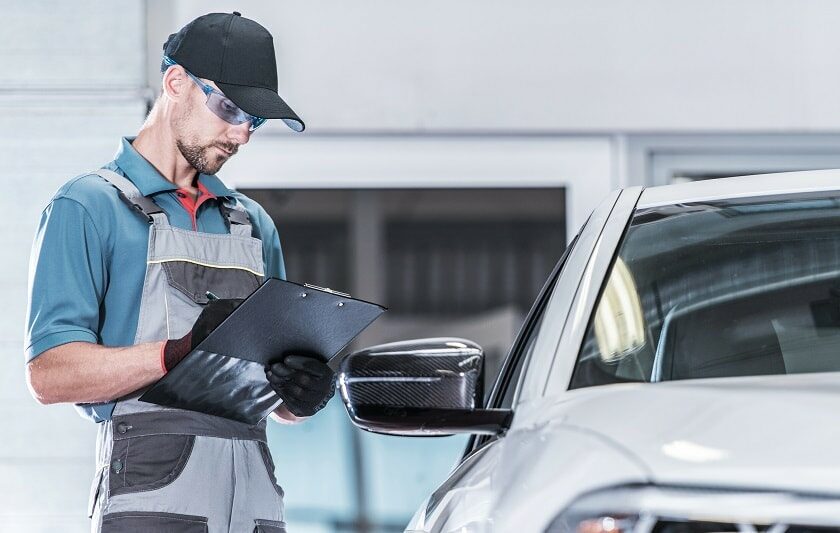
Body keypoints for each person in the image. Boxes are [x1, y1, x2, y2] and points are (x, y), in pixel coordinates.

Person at [24, 12, 335, 532]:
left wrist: (302, 395)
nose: (242, 134)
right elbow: (49, 375)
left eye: (254, 120)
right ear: (176, 82)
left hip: (255, 502)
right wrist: (179, 352)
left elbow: (277, 397)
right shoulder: (87, 207)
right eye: (230, 109)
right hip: (152, 498)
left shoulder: (253, 225)